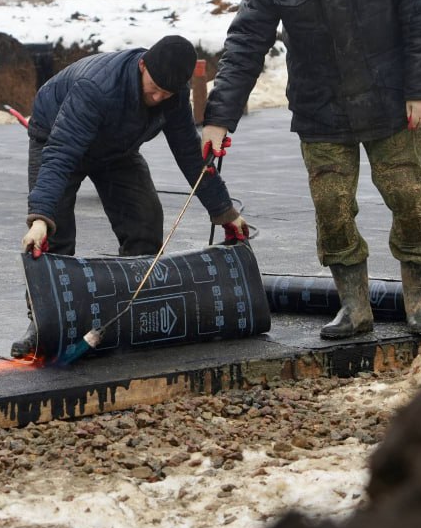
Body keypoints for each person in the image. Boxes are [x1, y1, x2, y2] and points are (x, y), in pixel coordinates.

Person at [201, 0, 421, 339]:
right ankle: (355, 308)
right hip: (321, 110)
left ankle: (419, 304)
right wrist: (218, 118)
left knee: (409, 200)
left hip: (391, 103)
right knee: (331, 208)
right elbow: (247, 41)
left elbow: (420, 14)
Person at [13, 34, 249, 358]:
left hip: (115, 148)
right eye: (153, 87)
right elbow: (61, 153)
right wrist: (40, 218)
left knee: (145, 220)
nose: (157, 97)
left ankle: (129, 314)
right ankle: (42, 325)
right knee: (56, 237)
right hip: (55, 135)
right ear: (142, 66)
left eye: (166, 92)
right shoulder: (97, 88)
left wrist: (224, 211)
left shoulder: (172, 95)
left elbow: (190, 156)